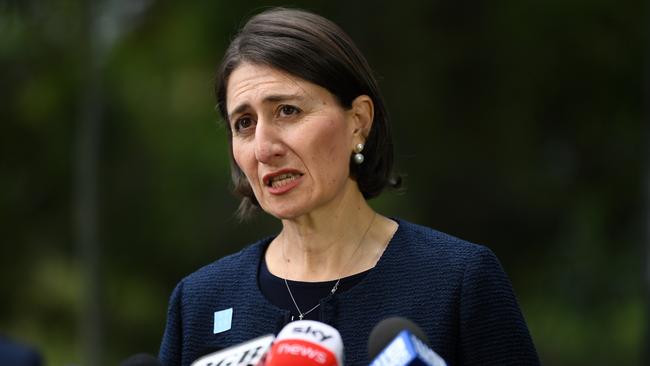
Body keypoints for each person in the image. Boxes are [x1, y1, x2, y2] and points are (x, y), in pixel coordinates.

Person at [159, 7, 540, 366]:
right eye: (244, 123)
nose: (263, 148)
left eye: (287, 111)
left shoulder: (459, 281)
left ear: (358, 120)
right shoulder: (198, 303)